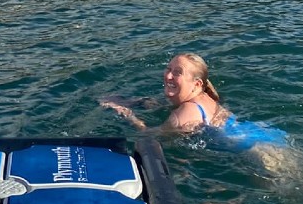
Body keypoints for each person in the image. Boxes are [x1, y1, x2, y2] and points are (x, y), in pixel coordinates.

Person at [100, 53, 287, 152]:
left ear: (196, 84)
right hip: (266, 136)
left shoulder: (187, 110)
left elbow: (150, 137)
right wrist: (142, 102)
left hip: (259, 153)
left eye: (177, 72)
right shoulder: (206, 98)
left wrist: (127, 115)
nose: (168, 75)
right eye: (168, 68)